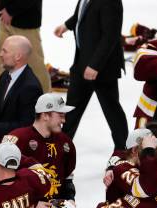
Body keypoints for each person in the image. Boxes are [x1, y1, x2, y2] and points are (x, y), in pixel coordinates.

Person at [54, 0, 128, 149]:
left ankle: (123, 150)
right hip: (81, 63)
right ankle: (60, 151)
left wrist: (95, 65)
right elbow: (81, 15)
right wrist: (67, 25)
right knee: (71, 110)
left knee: (112, 111)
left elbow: (111, 35)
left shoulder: (110, 2)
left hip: (102, 68)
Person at [0, 35, 42, 161]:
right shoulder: (5, 76)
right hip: (1, 148)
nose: (0, 54)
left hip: (17, 152)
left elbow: (28, 124)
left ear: (18, 56)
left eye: (5, 51)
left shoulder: (30, 87)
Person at [0, 0, 50, 98]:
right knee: (0, 64)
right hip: (5, 20)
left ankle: (47, 105)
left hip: (25, 23)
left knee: (35, 67)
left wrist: (10, 10)